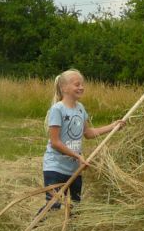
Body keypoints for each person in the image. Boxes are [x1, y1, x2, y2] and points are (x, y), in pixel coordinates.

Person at [40, 69, 124, 213]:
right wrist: (78, 156)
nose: (81, 87)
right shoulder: (57, 109)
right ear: (64, 88)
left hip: (74, 169)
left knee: (75, 207)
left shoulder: (80, 109)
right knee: (53, 206)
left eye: (82, 84)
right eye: (77, 84)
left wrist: (113, 126)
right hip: (56, 167)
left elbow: (89, 133)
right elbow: (55, 142)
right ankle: (36, 230)